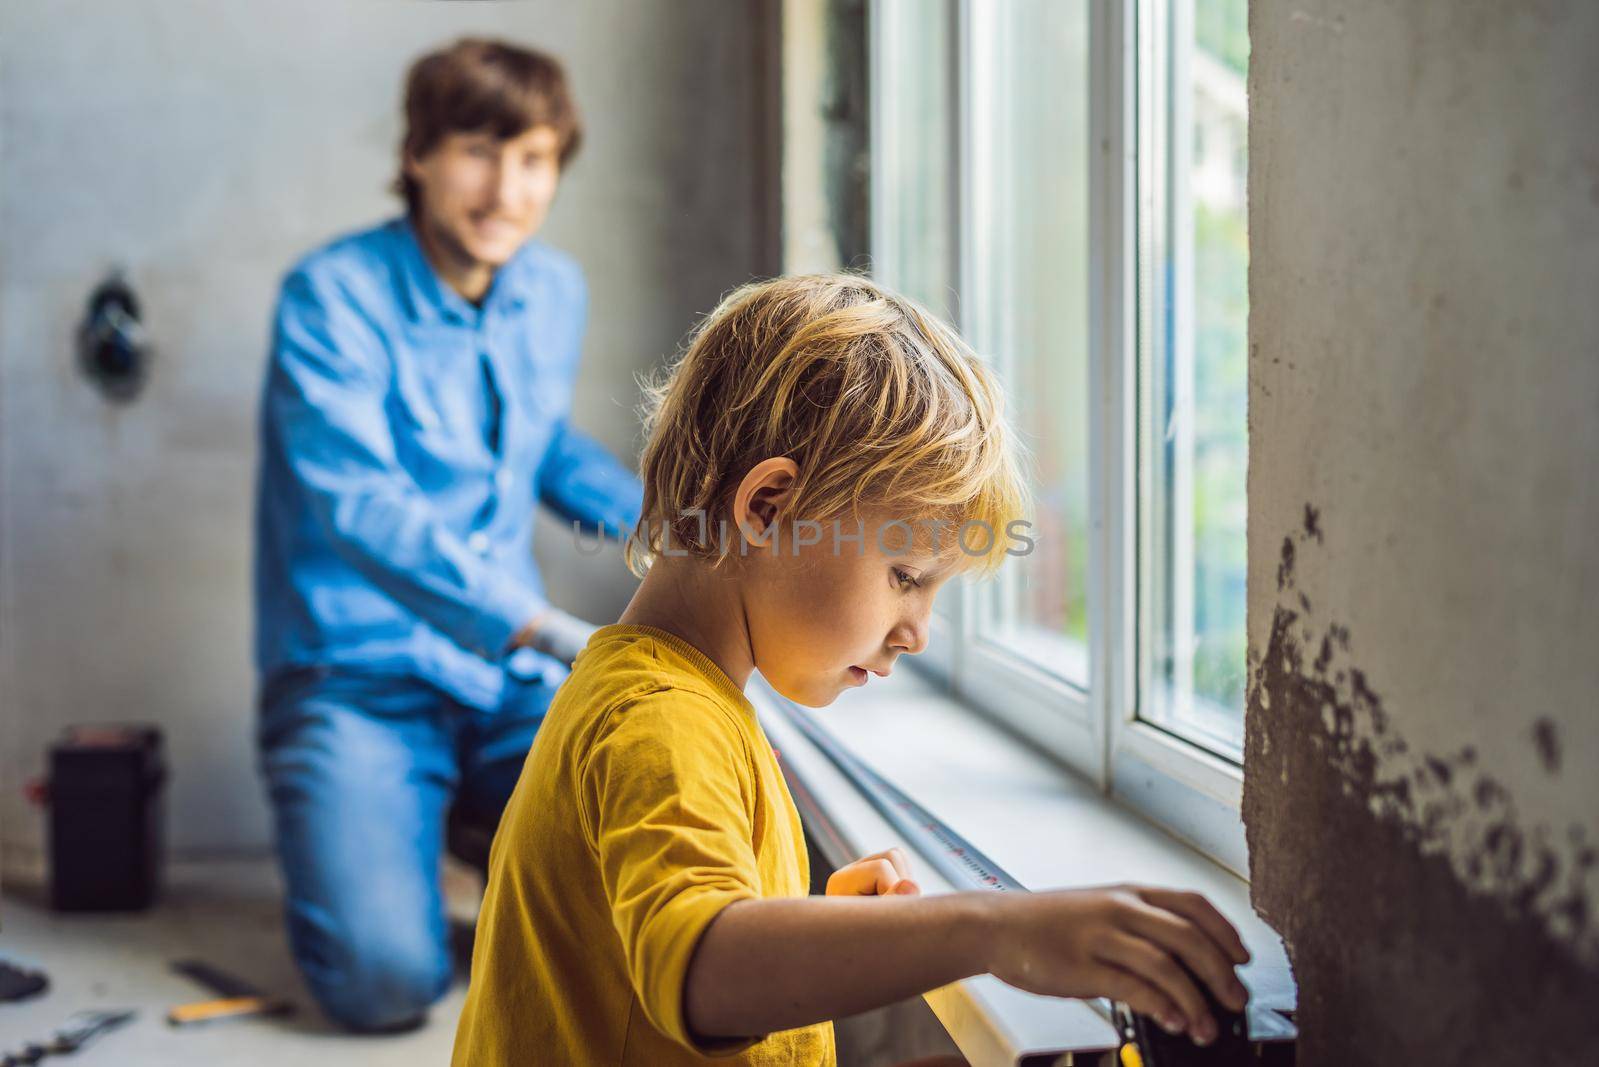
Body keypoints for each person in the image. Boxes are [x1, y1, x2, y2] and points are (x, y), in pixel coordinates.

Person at [450, 275, 1251, 1065]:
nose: (919, 633)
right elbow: (700, 969)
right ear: (766, 508)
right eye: (905, 575)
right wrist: (997, 931)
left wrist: (803, 922)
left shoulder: (668, 692)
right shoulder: (660, 720)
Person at [252, 39, 642, 1032]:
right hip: (359, 677)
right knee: (384, 984)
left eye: (536, 158)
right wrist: (534, 622)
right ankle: (416, 849)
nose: (506, 189)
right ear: (419, 153)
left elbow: (539, 446)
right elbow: (361, 500)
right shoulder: (328, 296)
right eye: (478, 150)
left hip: (506, 682)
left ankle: (475, 829)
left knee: (644, 878)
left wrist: (675, 530)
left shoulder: (551, 290)